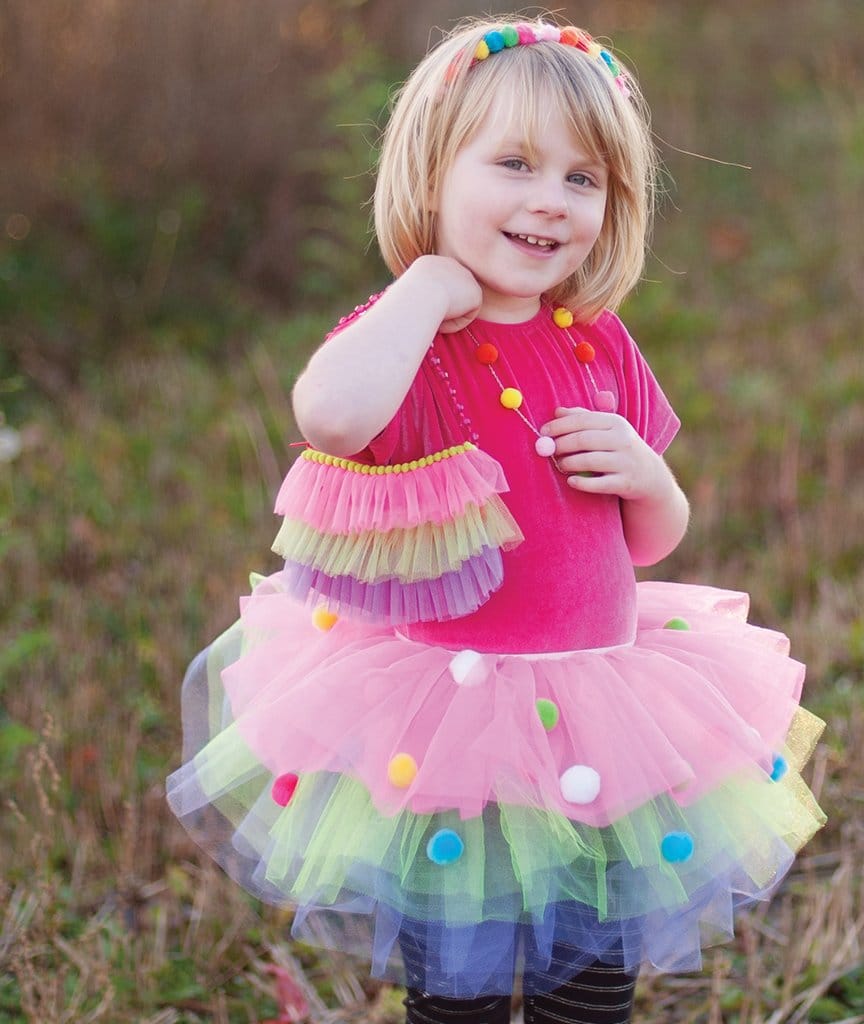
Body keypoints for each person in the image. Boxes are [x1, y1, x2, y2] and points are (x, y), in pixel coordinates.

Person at [166, 16, 826, 1024]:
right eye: (513, 164)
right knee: (457, 988)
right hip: (446, 722)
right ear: (433, 174)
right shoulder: (409, 339)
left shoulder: (598, 343)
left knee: (588, 985)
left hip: (601, 708)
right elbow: (329, 416)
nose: (547, 201)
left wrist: (647, 473)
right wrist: (427, 285)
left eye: (582, 179)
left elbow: (644, 542)